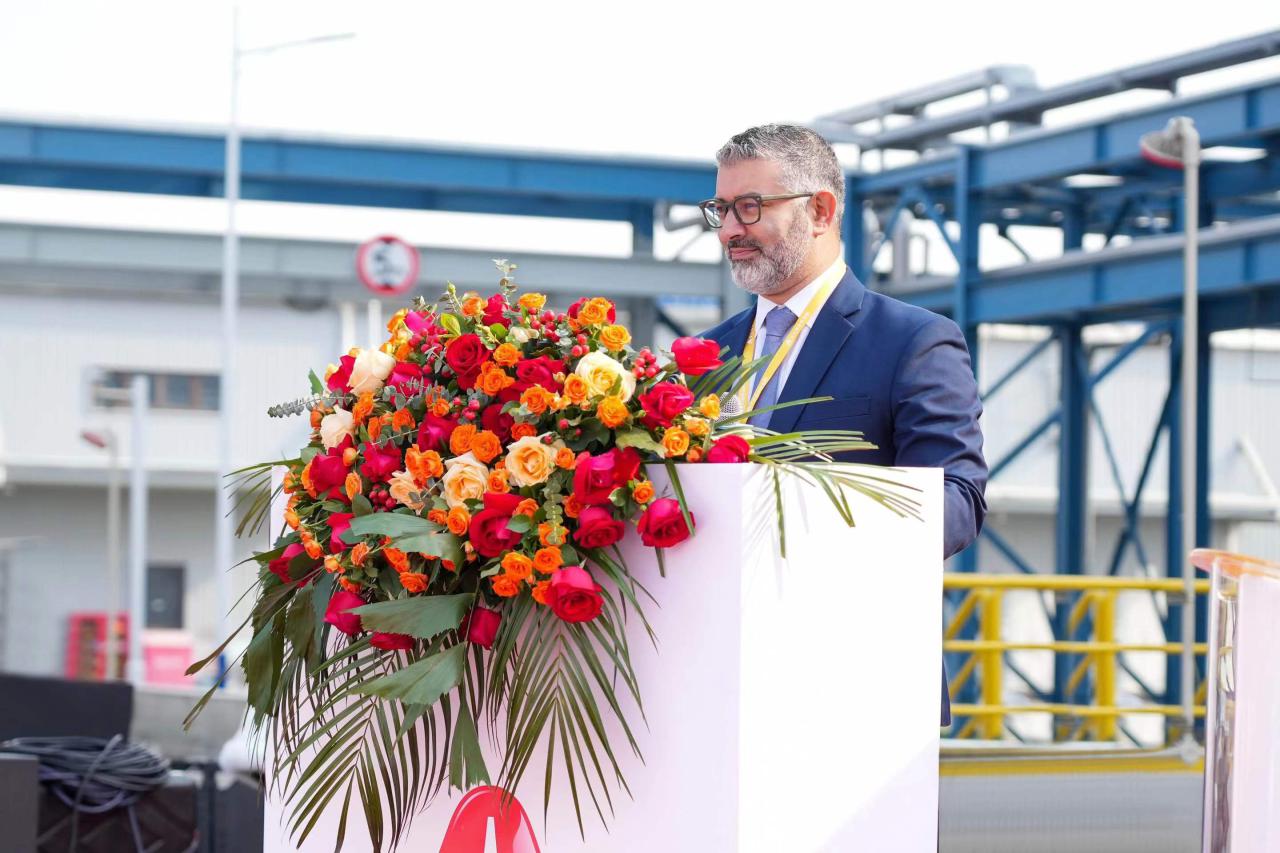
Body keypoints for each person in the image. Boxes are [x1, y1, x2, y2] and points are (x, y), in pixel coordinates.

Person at [698, 124, 988, 726]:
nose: (729, 231)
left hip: (858, 683)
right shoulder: (702, 357)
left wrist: (807, 518)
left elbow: (956, 502)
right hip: (717, 682)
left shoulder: (913, 341)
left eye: (749, 206)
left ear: (821, 211)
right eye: (721, 209)